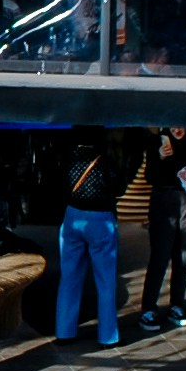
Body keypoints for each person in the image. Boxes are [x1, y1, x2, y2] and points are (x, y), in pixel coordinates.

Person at [52, 128, 134, 347]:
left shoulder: (67, 159)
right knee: (105, 280)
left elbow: (59, 186)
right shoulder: (104, 161)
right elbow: (118, 189)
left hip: (72, 217)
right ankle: (108, 337)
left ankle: (64, 333)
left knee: (69, 277)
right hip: (100, 219)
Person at [138, 123, 186, 330]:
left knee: (183, 258)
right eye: (173, 126)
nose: (178, 129)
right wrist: (161, 157)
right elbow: (150, 176)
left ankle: (177, 304)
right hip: (163, 198)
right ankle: (148, 307)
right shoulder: (156, 142)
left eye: (182, 125)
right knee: (160, 256)